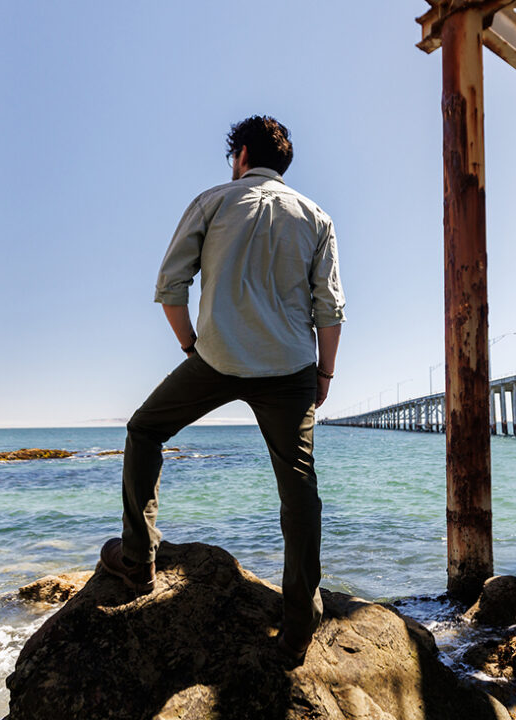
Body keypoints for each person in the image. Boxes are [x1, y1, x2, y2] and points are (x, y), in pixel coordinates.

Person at [99, 115, 345, 665]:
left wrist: (192, 347)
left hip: (216, 358)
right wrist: (324, 374)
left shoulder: (213, 201)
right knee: (298, 486)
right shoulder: (316, 217)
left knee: (144, 430)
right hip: (290, 368)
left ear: (240, 155)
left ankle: (137, 560)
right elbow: (329, 309)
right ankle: (300, 620)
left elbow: (170, 286)